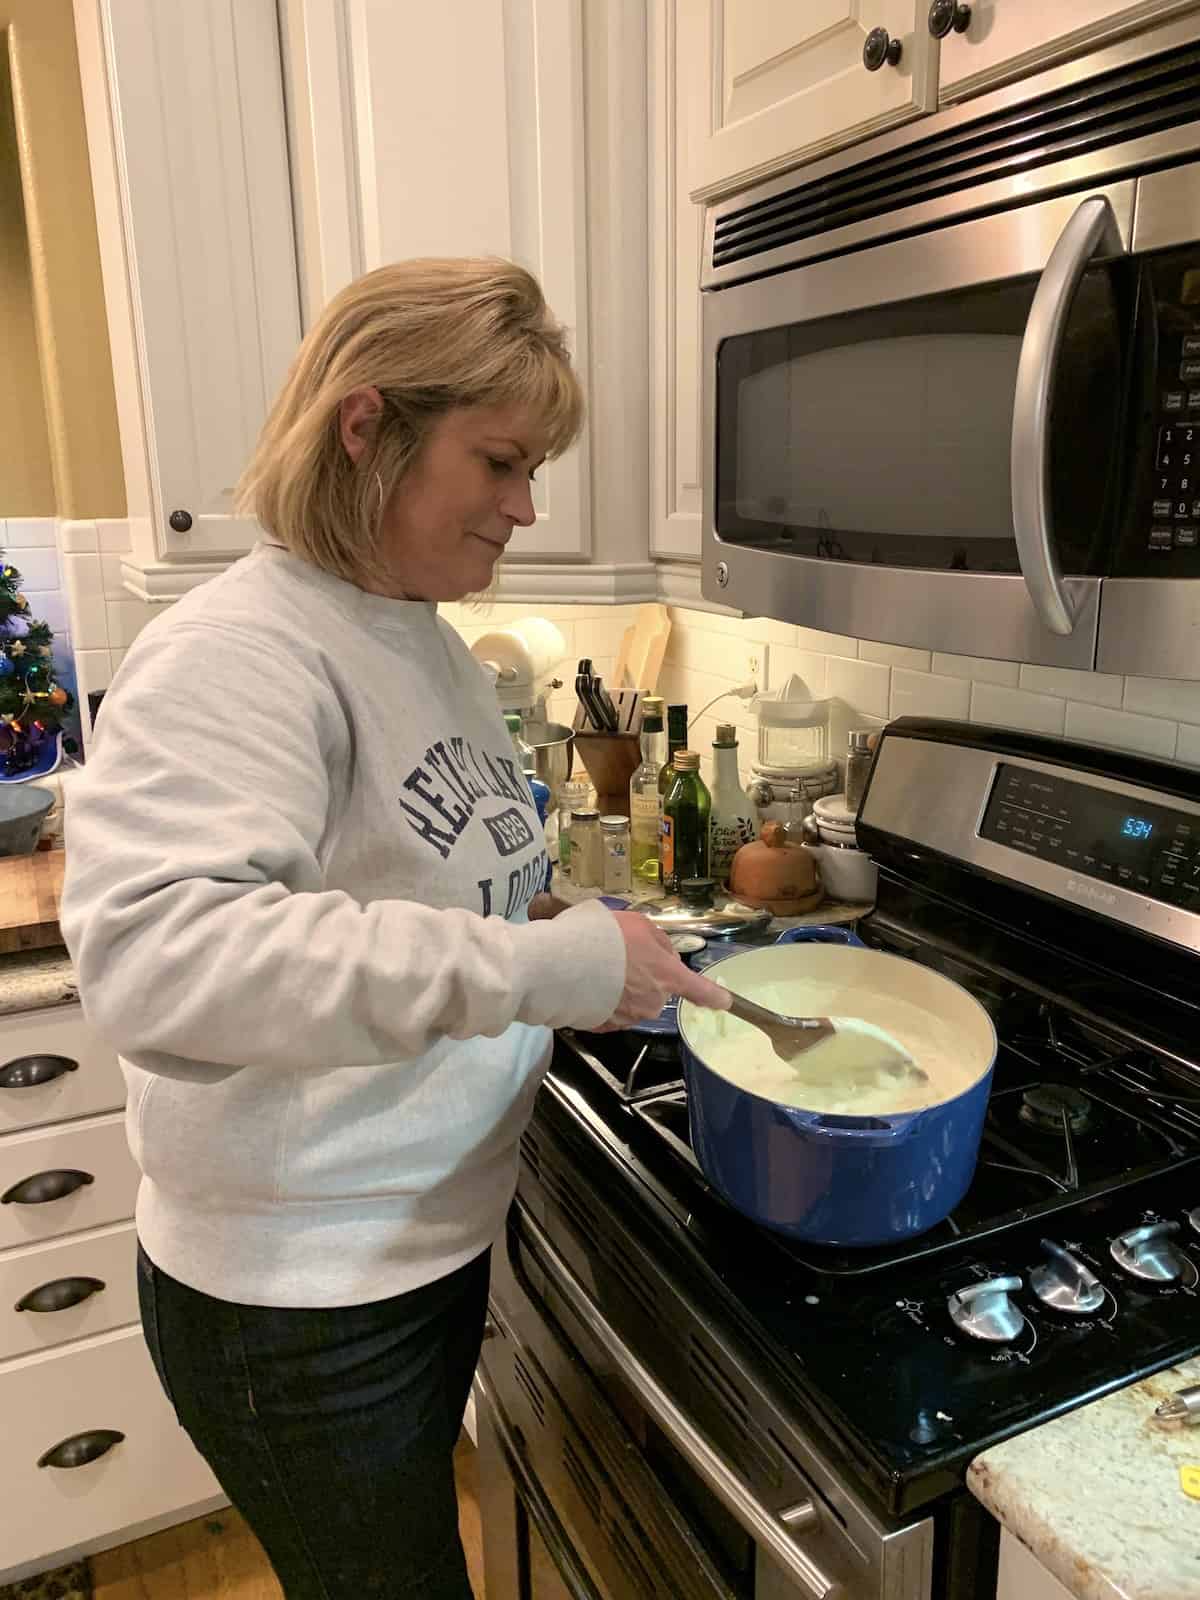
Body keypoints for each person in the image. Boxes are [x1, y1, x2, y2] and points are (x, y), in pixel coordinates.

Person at [61, 258, 730, 1600]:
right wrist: (546, 964)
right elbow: (160, 957)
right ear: (367, 430)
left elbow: (417, 891)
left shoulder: (417, 637)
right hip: (299, 1309)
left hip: (405, 1255)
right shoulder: (239, 652)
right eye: (499, 461)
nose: (527, 506)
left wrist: (555, 915)